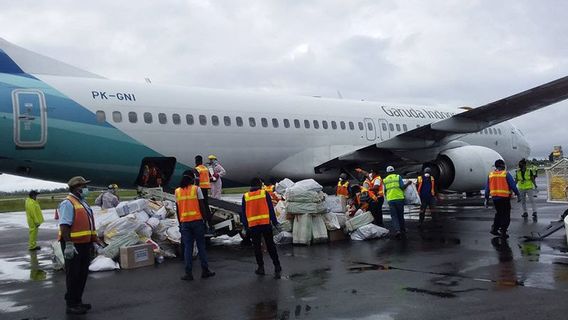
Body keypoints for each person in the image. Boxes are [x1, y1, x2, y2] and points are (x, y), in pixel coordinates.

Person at [58, 176, 97, 315]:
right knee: (73, 275)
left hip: (85, 244)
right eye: (84, 186)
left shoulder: (82, 202)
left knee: (82, 275)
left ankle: (78, 301)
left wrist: (93, 242)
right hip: (73, 245)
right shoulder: (67, 203)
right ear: (77, 187)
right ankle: (71, 304)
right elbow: (64, 226)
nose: (86, 189)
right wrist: (68, 244)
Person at [175, 171, 215, 281]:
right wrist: (206, 221)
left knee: (188, 248)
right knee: (201, 246)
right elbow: (202, 206)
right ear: (192, 179)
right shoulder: (196, 189)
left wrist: (180, 223)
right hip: (197, 222)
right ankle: (205, 270)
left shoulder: (177, 191)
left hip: (185, 223)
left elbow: (178, 210)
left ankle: (188, 273)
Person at [240, 177, 282, 279]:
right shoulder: (264, 194)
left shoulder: (245, 196)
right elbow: (270, 209)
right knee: (270, 245)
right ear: (259, 185)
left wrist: (245, 226)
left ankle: (261, 268)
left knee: (257, 247)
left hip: (253, 226)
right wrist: (275, 222)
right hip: (265, 224)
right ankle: (277, 265)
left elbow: (244, 214)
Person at [485, 159, 520, 238]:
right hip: (504, 198)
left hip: (495, 198)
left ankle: (494, 229)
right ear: (501, 165)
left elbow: (487, 189)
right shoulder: (505, 174)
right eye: (503, 165)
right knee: (505, 215)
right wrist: (518, 195)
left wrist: (486, 199)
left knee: (499, 213)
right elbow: (513, 185)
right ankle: (503, 231)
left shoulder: (490, 175)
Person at [383, 166, 412, 238]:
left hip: (391, 200)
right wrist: (408, 183)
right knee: (400, 215)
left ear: (387, 172)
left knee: (394, 216)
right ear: (394, 171)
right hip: (399, 198)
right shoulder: (397, 177)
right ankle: (403, 229)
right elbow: (402, 187)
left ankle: (397, 230)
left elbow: (385, 191)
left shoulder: (385, 180)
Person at [195, 155, 214, 233]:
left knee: (200, 206)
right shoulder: (206, 168)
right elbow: (211, 178)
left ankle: (204, 223)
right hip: (206, 188)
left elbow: (196, 181)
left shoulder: (197, 169)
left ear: (196, 161)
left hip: (200, 189)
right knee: (206, 205)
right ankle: (210, 223)